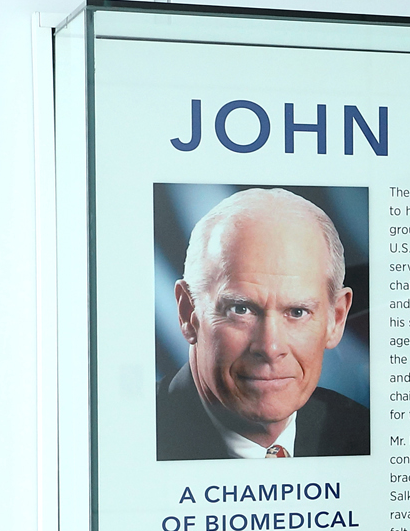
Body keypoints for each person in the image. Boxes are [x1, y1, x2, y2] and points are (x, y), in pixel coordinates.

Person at [157, 188, 369, 460]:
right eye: (241, 309)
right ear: (188, 312)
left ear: (336, 319)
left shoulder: (363, 435)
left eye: (297, 312)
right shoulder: (131, 441)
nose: (270, 347)